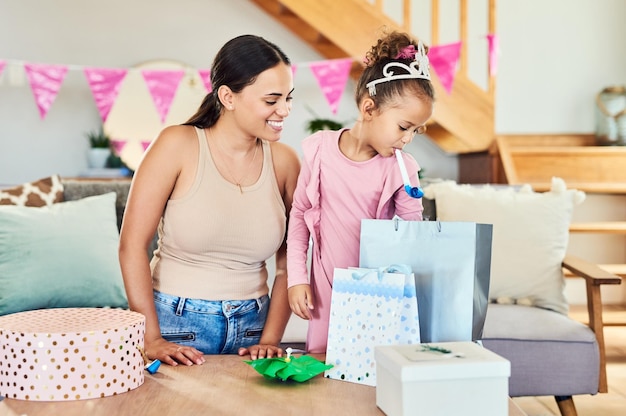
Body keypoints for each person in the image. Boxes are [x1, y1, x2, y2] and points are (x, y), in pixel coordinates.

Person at [118, 34, 301, 366]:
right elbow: (131, 245)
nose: (284, 111)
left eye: (288, 98)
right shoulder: (177, 144)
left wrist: (270, 339)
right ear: (228, 97)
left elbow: (292, 264)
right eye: (272, 100)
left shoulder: (286, 163)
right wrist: (151, 338)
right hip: (175, 325)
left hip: (253, 330)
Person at [286, 31, 435, 353]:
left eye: (416, 131)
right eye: (403, 126)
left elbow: (413, 238)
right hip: (325, 291)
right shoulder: (319, 151)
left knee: (367, 375)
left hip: (377, 295)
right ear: (369, 108)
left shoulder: (402, 168)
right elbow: (299, 217)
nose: (408, 139)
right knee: (324, 371)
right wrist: (297, 278)